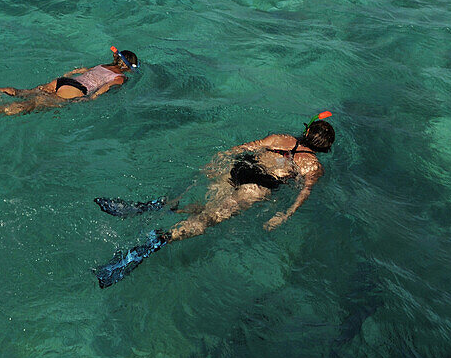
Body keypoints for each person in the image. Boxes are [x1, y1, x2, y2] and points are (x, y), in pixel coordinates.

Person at [93, 113, 335, 288]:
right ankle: (159, 240)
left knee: (202, 204)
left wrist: (217, 160)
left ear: (306, 131)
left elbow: (239, 148)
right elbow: (305, 192)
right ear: (324, 148)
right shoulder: (312, 165)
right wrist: (285, 214)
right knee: (208, 218)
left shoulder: (279, 138)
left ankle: (152, 206)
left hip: (240, 167)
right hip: (257, 187)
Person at [0, 47, 139, 133]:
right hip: (77, 90)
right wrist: (86, 101)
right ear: (128, 68)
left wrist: (68, 77)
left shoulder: (101, 65)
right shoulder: (120, 78)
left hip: (62, 81)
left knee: (27, 92)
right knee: (33, 105)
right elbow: (102, 91)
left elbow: (79, 70)